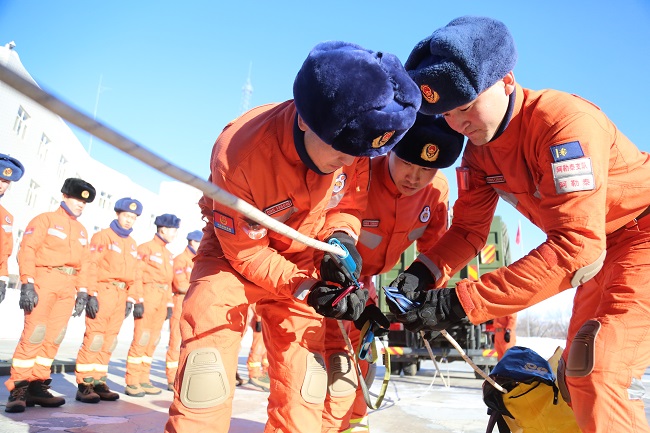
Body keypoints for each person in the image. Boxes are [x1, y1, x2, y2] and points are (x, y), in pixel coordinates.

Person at [386, 15, 650, 433]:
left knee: (597, 367)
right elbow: (470, 231)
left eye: (467, 106)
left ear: (507, 80)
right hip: (602, 251)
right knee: (572, 378)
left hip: (641, 236)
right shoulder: (477, 154)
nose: (458, 124)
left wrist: (462, 303)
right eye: (448, 114)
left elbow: (577, 247)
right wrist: (423, 274)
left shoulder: (564, 126)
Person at [164, 40, 420, 433]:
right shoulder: (240, 154)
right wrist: (304, 287)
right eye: (342, 152)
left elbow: (347, 206)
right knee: (206, 367)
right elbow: (247, 253)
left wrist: (340, 243)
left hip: (306, 255)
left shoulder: (352, 144)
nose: (350, 163)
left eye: (359, 155)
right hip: (236, 256)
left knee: (308, 382)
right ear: (304, 120)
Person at [322, 114, 464, 432]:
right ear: (391, 150)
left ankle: (352, 423)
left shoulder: (435, 193)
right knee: (327, 359)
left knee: (354, 359)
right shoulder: (360, 172)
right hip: (329, 275)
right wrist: (340, 273)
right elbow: (326, 225)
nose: (414, 178)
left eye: (426, 170)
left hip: (366, 281)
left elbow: (437, 249)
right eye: (407, 164)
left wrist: (422, 287)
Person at [5, 177, 95, 413]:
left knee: (54, 337)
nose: (81, 205)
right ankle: (19, 387)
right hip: (45, 280)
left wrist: (83, 292)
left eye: (84, 203)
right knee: (35, 334)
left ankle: (37, 385)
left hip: (68, 286)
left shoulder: (82, 231)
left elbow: (85, 263)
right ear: (65, 196)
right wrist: (27, 282)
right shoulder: (45, 220)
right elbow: (28, 250)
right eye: (77, 199)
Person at [74, 197, 143, 403]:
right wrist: (91, 293)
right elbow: (90, 265)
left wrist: (132, 298)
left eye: (133, 217)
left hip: (121, 295)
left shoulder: (132, 244)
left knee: (110, 340)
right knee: (95, 338)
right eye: (126, 216)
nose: (129, 220)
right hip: (103, 291)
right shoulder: (102, 237)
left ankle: (98, 381)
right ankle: (84, 384)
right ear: (117, 214)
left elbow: (136, 273)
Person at [125, 213, 179, 397]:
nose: (175, 234)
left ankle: (143, 379)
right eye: (173, 230)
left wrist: (170, 304)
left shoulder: (168, 254)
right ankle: (132, 381)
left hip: (162, 298)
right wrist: (137, 299)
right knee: (141, 338)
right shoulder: (145, 249)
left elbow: (170, 281)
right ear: (162, 229)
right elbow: (136, 275)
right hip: (148, 295)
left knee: (153, 340)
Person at [165, 229, 202, 390]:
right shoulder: (181, 259)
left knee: (191, 341)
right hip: (181, 300)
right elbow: (180, 284)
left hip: (194, 301)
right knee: (176, 339)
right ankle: (172, 377)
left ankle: (184, 376)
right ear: (192, 242)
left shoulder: (198, 260)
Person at [0, 154, 25, 304]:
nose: (1, 185)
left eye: (5, 181)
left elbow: (4, 252)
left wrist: (2, 279)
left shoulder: (6, 217)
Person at [245, 303, 269, 391]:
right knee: (258, 348)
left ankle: (266, 372)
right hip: (260, 321)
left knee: (267, 349)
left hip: (266, 320)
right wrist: (259, 319)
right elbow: (256, 303)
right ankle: (254, 374)